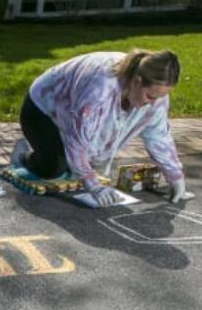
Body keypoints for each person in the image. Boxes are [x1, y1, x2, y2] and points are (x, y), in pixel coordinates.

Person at [12, 49, 188, 207]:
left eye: (159, 97)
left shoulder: (155, 96)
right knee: (53, 169)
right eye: (150, 96)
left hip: (71, 111)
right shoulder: (100, 90)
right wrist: (95, 187)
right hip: (42, 108)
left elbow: (158, 137)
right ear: (136, 81)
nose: (153, 103)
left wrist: (176, 177)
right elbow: (77, 144)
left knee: (82, 162)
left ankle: (58, 155)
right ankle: (23, 156)